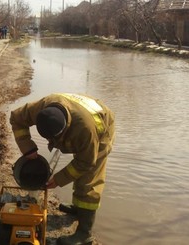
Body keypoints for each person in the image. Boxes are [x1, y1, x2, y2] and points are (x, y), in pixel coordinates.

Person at [10, 93, 115, 245]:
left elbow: (86, 162)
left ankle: (84, 234)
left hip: (101, 129)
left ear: (66, 128)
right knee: (77, 171)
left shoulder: (86, 130)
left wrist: (59, 179)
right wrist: (28, 147)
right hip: (79, 111)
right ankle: (78, 208)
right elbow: (16, 118)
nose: (52, 143)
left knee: (88, 180)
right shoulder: (40, 108)